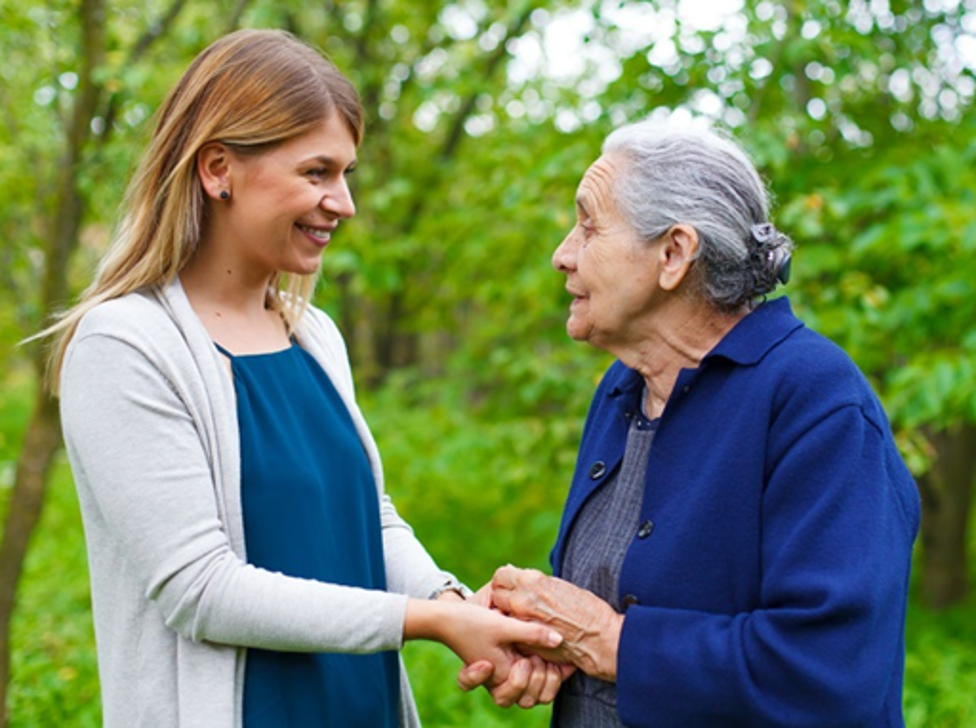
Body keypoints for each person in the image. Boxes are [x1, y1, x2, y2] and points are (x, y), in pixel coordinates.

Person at [44, 28, 567, 727]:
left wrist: (453, 604)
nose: (343, 202)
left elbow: (365, 520)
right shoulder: (126, 346)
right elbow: (200, 589)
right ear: (217, 169)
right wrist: (423, 623)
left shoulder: (314, 336)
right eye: (317, 173)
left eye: (345, 173)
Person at [461, 118, 921, 727]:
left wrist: (611, 642)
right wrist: (544, 631)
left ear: (673, 253)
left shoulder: (816, 401)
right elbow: (623, 598)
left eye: (589, 225)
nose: (562, 254)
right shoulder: (624, 388)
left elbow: (831, 672)